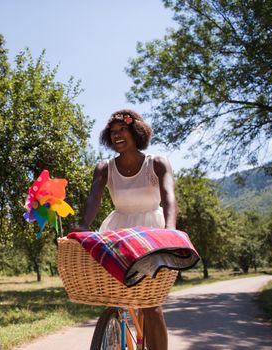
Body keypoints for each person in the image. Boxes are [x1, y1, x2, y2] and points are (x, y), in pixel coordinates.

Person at [74, 109, 176, 350]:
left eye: (122, 130)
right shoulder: (104, 167)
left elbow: (169, 196)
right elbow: (94, 199)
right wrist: (84, 226)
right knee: (115, 297)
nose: (117, 135)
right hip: (118, 233)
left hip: (153, 233)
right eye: (113, 132)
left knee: (151, 305)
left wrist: (171, 229)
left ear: (136, 132)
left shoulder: (157, 163)